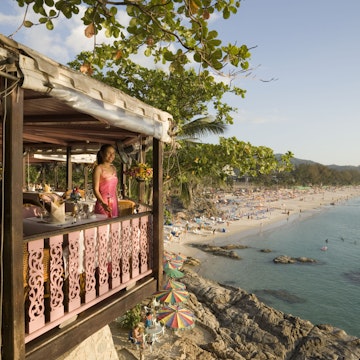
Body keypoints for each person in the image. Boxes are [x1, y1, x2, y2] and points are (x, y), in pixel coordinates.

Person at [93, 144, 119, 217]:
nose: (111, 155)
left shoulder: (114, 168)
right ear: (101, 154)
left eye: (113, 153)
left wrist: (117, 204)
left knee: (114, 226)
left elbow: (115, 189)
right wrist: (103, 204)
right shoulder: (98, 168)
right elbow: (95, 189)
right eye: (109, 153)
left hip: (114, 204)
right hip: (103, 203)